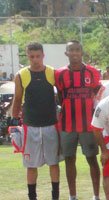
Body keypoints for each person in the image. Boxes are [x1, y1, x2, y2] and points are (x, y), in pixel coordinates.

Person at [55, 40, 103, 200]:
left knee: (92, 159)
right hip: (67, 125)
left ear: (82, 53)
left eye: (77, 50)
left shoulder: (92, 72)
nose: (74, 53)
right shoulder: (59, 73)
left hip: (88, 125)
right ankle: (72, 196)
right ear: (66, 53)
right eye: (71, 50)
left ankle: (96, 195)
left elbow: (97, 96)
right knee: (69, 159)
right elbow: (61, 97)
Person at [12, 42, 60, 200]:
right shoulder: (21, 75)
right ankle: (32, 197)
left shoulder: (52, 72)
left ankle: (55, 196)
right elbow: (17, 100)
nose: (35, 59)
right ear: (28, 57)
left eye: (38, 56)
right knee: (31, 165)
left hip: (51, 124)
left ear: (43, 56)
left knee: (54, 162)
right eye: (32, 56)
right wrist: (13, 124)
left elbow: (62, 95)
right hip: (30, 126)